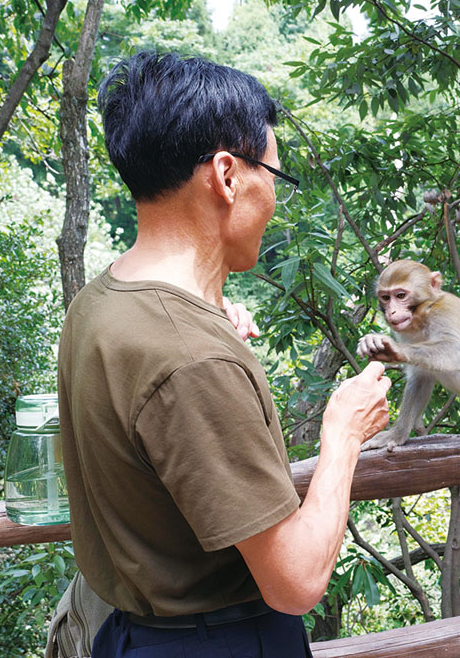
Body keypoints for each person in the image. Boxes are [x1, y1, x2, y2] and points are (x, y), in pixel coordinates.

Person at [57, 51, 391, 658]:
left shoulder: (99, 303)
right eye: (275, 177)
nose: (275, 199)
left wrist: (208, 321)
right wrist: (343, 433)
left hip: (133, 634)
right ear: (227, 175)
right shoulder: (190, 359)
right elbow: (295, 581)